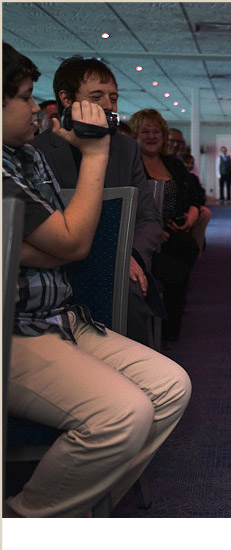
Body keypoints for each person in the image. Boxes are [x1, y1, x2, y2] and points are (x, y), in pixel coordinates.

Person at [2, 42, 190, 518]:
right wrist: (96, 152)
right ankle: (28, 523)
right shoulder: (47, 150)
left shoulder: (24, 157)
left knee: (172, 386)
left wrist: (40, 247)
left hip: (63, 312)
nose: (35, 107)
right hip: (17, 328)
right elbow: (74, 243)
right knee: (125, 413)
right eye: (24, 97)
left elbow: (70, 241)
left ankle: (72, 512)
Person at [32, 55, 162, 348]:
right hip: (56, 263)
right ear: (66, 99)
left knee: (129, 292)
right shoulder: (37, 151)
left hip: (120, 263)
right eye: (96, 97)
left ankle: (136, 370)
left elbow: (149, 219)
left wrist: (128, 256)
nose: (108, 105)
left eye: (113, 97)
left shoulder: (126, 148)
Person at [130, 108, 201, 342]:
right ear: (135, 135)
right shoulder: (131, 165)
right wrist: (153, 230)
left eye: (156, 132)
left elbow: (195, 198)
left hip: (174, 232)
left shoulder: (173, 164)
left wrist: (189, 218)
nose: (151, 136)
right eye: (145, 132)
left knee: (186, 248)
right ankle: (162, 324)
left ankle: (169, 325)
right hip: (141, 236)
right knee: (176, 270)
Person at [183, 152, 212, 252]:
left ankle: (197, 249)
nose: (189, 165)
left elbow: (198, 196)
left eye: (192, 163)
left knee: (205, 213)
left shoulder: (193, 178)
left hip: (193, 207)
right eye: (187, 163)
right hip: (183, 208)